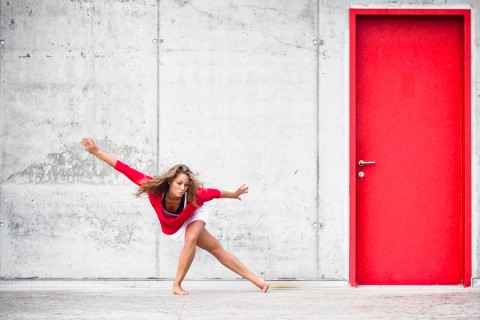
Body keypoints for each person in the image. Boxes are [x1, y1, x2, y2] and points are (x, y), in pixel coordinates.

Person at [81, 138, 269, 295]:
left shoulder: (196, 195)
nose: (182, 189)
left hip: (195, 212)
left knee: (193, 238)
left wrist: (234, 194)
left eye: (186, 185)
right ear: (171, 181)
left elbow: (216, 192)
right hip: (174, 227)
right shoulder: (154, 189)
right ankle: (255, 280)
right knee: (215, 249)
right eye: (179, 183)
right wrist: (97, 152)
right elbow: (124, 168)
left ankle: (178, 284)